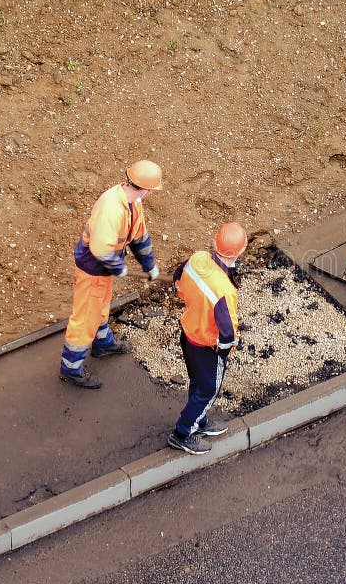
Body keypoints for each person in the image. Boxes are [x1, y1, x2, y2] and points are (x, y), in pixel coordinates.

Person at [59, 160, 162, 389]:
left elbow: (139, 237)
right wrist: (118, 266)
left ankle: (103, 343)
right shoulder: (112, 208)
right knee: (86, 316)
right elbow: (101, 249)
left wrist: (149, 265)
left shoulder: (133, 203)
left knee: (101, 304)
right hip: (93, 268)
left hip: (104, 268)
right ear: (145, 189)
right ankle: (71, 368)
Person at [167, 222, 248, 455]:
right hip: (206, 346)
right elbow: (228, 333)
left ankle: (199, 420)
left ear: (215, 242)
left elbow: (178, 279)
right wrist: (223, 353)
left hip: (189, 334)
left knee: (198, 383)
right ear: (239, 252)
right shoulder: (225, 290)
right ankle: (183, 433)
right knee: (209, 389)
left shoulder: (198, 258)